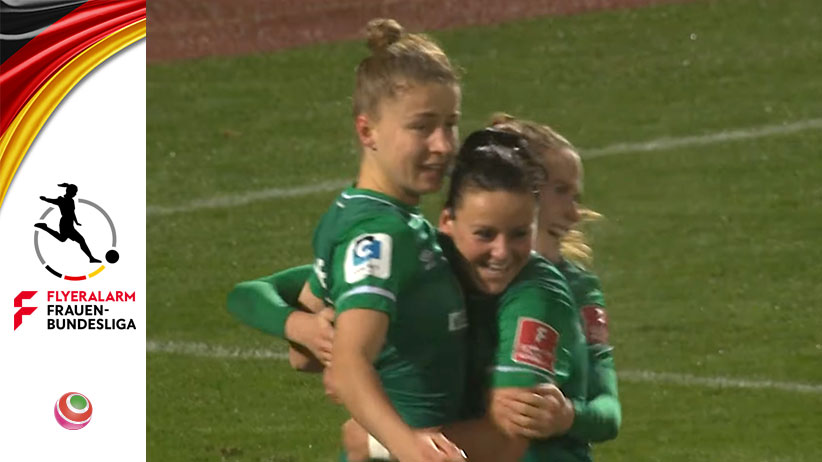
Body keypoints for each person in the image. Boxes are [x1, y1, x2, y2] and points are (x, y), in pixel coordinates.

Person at [230, 128, 586, 461]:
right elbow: (253, 296)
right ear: (447, 222)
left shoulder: (536, 294)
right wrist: (303, 327)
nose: (502, 252)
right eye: (484, 234)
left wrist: (373, 442)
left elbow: (506, 440)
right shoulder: (414, 255)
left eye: (520, 234)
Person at [253, 17, 468, 462]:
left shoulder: (353, 212)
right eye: (422, 127)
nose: (443, 145)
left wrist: (304, 328)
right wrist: (410, 449)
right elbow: (350, 365)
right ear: (367, 131)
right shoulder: (380, 236)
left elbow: (304, 357)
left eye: (450, 125)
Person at [487, 114, 621, 461]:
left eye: (576, 196)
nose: (575, 214)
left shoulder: (580, 288)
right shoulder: (463, 274)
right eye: (561, 191)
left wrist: (568, 416)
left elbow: (609, 410)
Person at [34, 183, 101, 263]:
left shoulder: (72, 201)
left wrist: (76, 222)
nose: (75, 194)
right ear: (69, 191)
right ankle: (91, 258)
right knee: (80, 240)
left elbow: (72, 212)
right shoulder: (61, 200)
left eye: (76, 192)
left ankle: (44, 227)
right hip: (65, 223)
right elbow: (52, 201)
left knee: (63, 239)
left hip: (70, 224)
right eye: (74, 192)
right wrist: (45, 199)